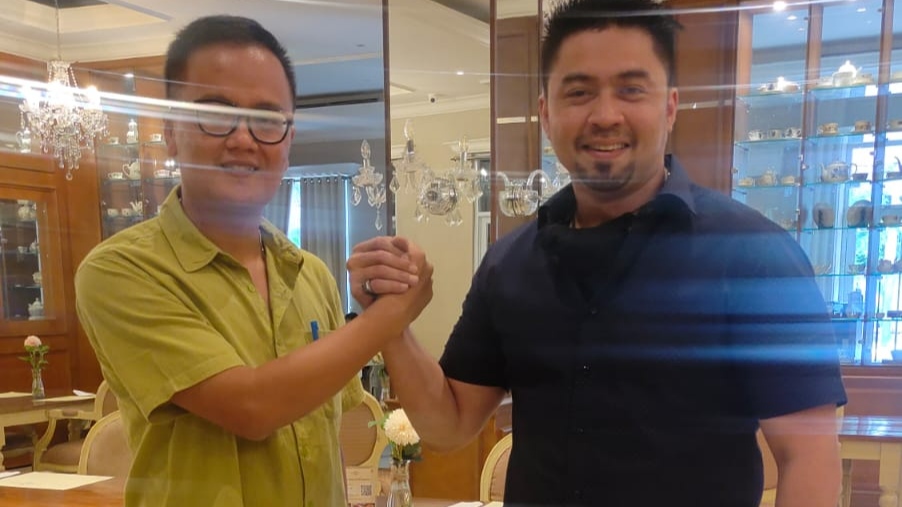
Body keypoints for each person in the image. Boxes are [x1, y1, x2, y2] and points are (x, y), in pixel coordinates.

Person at [347, 0, 846, 505]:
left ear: (669, 107)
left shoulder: (755, 257)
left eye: (631, 89)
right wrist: (392, 322)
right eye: (579, 92)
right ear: (546, 113)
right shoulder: (510, 264)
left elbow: (807, 457)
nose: (605, 116)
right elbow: (450, 424)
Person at [74, 15, 432, 507]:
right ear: (171, 132)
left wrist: (382, 307)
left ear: (288, 141)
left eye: (267, 120)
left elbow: (327, 444)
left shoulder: (311, 275)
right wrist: (389, 317)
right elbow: (252, 406)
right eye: (215, 113)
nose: (243, 139)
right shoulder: (121, 271)